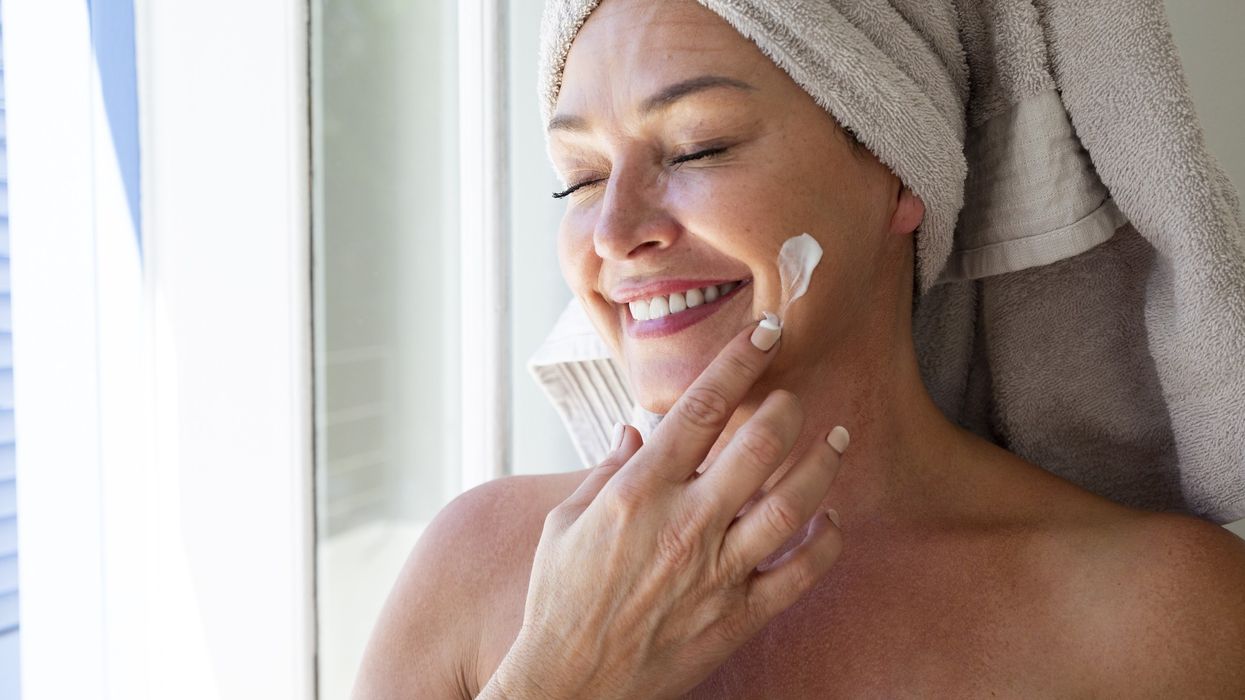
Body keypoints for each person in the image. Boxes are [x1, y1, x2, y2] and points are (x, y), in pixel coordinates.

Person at [352, 0, 1245, 697]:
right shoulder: (473, 574)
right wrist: (558, 680)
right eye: (579, 179)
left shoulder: (1159, 617)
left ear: (901, 172)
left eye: (698, 146)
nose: (614, 232)